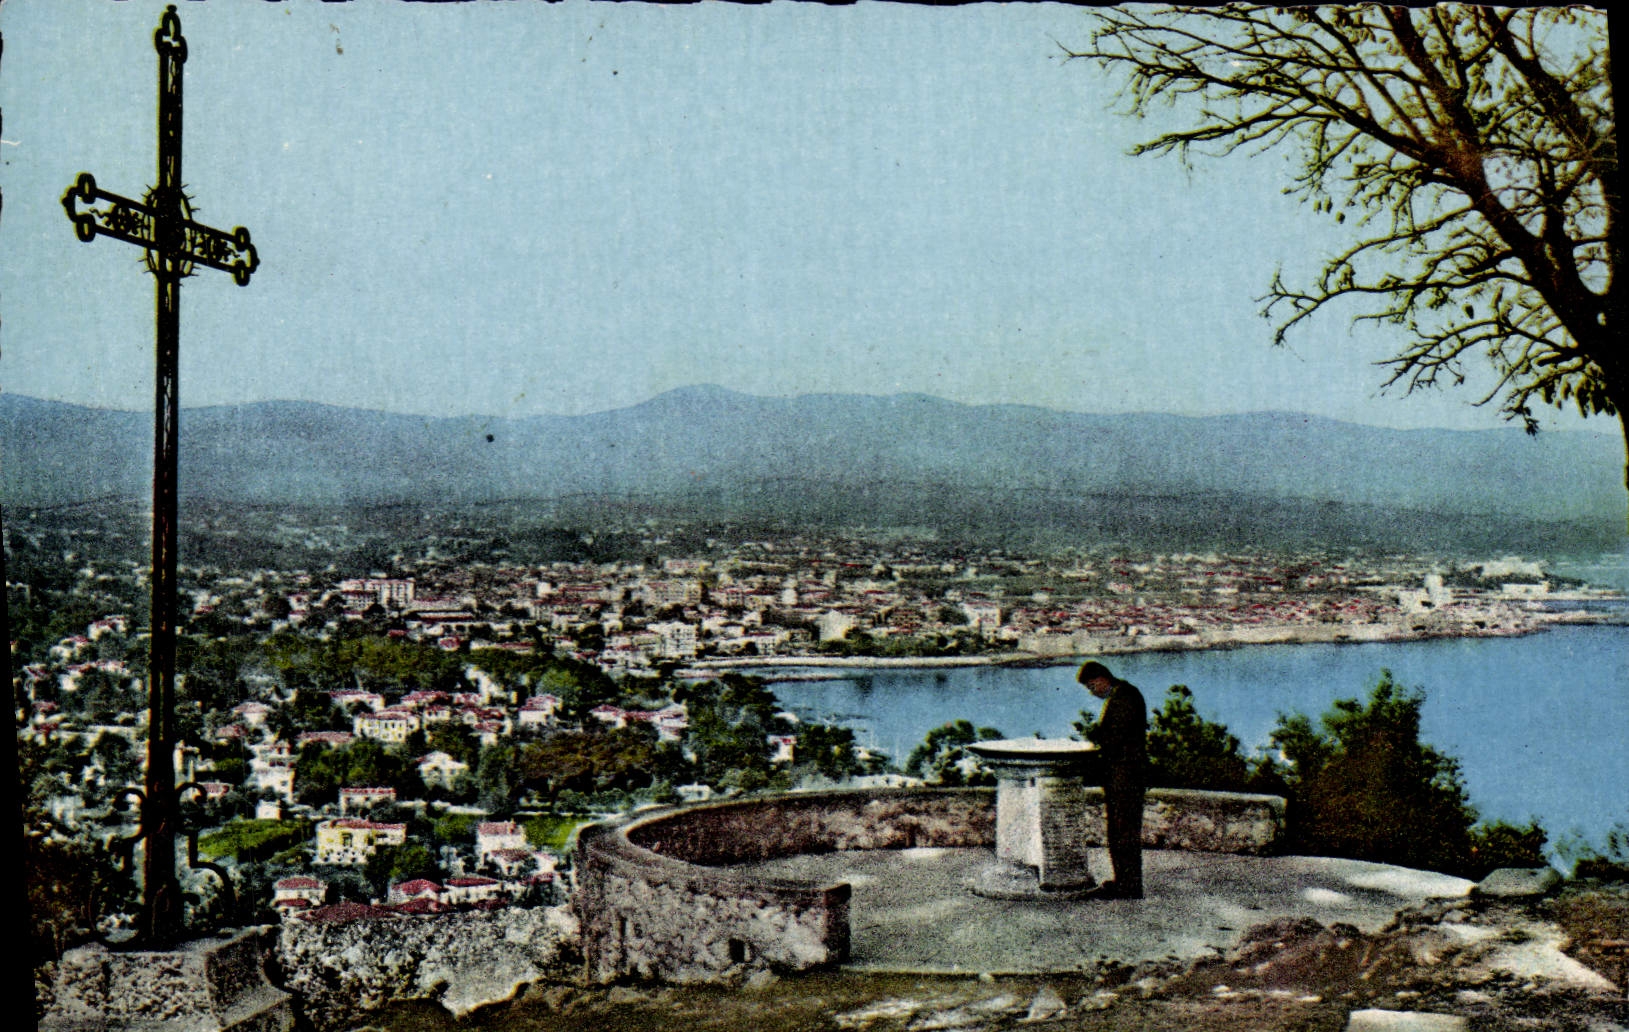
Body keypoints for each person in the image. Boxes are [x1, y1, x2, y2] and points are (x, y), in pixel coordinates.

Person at [1078, 660, 1146, 899]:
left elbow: (1117, 737)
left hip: (1126, 776)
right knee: (1119, 831)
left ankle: (1128, 886)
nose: (1092, 691)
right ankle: (1124, 881)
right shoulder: (1122, 694)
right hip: (1122, 775)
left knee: (1123, 831)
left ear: (1101, 678)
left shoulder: (1124, 696)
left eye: (1091, 686)